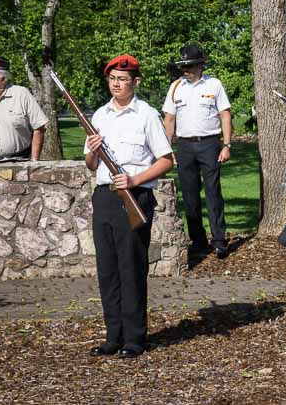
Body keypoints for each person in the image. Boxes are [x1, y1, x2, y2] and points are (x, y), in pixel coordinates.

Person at [85, 54, 174, 359]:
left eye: (123, 79)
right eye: (112, 79)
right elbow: (89, 164)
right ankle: (114, 336)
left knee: (130, 267)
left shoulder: (146, 115)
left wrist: (135, 180)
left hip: (135, 198)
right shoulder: (99, 115)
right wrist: (94, 152)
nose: (116, 84)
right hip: (105, 196)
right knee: (107, 270)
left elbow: (166, 160)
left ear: (135, 82)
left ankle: (134, 337)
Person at [162, 44, 232, 261]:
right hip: (184, 146)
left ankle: (219, 239)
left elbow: (225, 115)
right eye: (184, 66)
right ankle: (198, 240)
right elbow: (170, 120)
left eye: (190, 66)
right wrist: (167, 150)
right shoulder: (175, 87)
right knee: (190, 195)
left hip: (209, 143)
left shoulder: (214, 84)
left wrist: (227, 145)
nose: (186, 70)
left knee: (213, 193)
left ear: (201, 65)